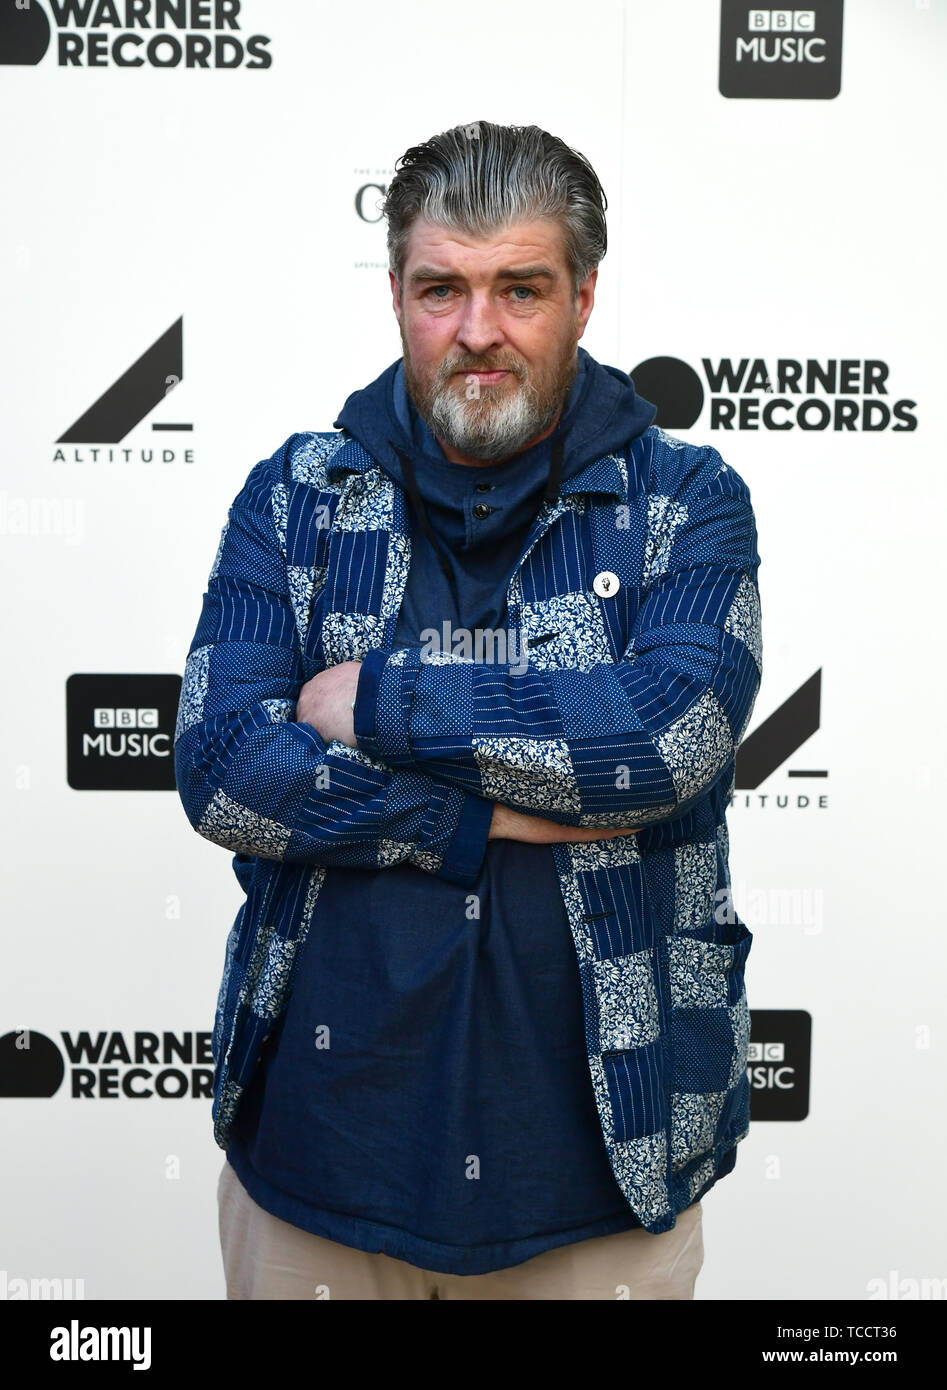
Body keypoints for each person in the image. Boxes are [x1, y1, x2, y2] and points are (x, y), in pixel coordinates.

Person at [173, 120, 763, 1301]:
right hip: (318, 1166)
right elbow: (227, 766)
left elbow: (660, 740)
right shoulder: (295, 497)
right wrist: (475, 819)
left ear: (583, 297)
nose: (477, 330)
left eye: (519, 289)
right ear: (394, 291)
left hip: (605, 1179)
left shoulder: (687, 503)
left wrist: (375, 699)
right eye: (441, 288)